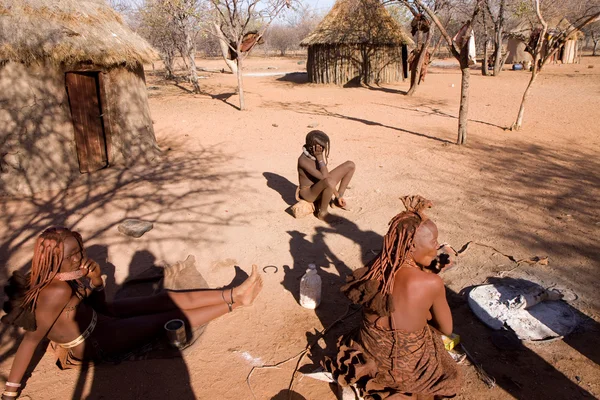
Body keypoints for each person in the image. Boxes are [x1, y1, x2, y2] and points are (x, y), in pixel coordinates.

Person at [1, 227, 263, 399]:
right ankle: (237, 303)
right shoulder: (55, 291)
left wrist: (96, 282)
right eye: (73, 255)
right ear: (54, 258)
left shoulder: (64, 274)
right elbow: (31, 340)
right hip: (90, 342)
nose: (80, 257)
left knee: (161, 299)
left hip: (98, 318)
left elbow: (100, 306)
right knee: (162, 321)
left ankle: (232, 293)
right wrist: (10, 392)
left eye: (80, 250)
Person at [324, 195, 461, 399]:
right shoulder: (431, 284)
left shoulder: (374, 270)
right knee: (449, 374)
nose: (437, 247)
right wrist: (425, 315)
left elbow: (401, 278)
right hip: (411, 370)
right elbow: (446, 330)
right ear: (411, 247)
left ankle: (359, 387)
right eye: (434, 241)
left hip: (371, 355)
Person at [297, 130, 355, 220]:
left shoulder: (315, 154)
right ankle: (323, 213)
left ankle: (336, 202)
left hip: (322, 183)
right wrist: (320, 158)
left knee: (350, 165)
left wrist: (338, 196)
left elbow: (325, 177)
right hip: (309, 192)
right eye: (320, 147)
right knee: (329, 181)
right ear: (311, 147)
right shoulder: (303, 161)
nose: (322, 149)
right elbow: (325, 178)